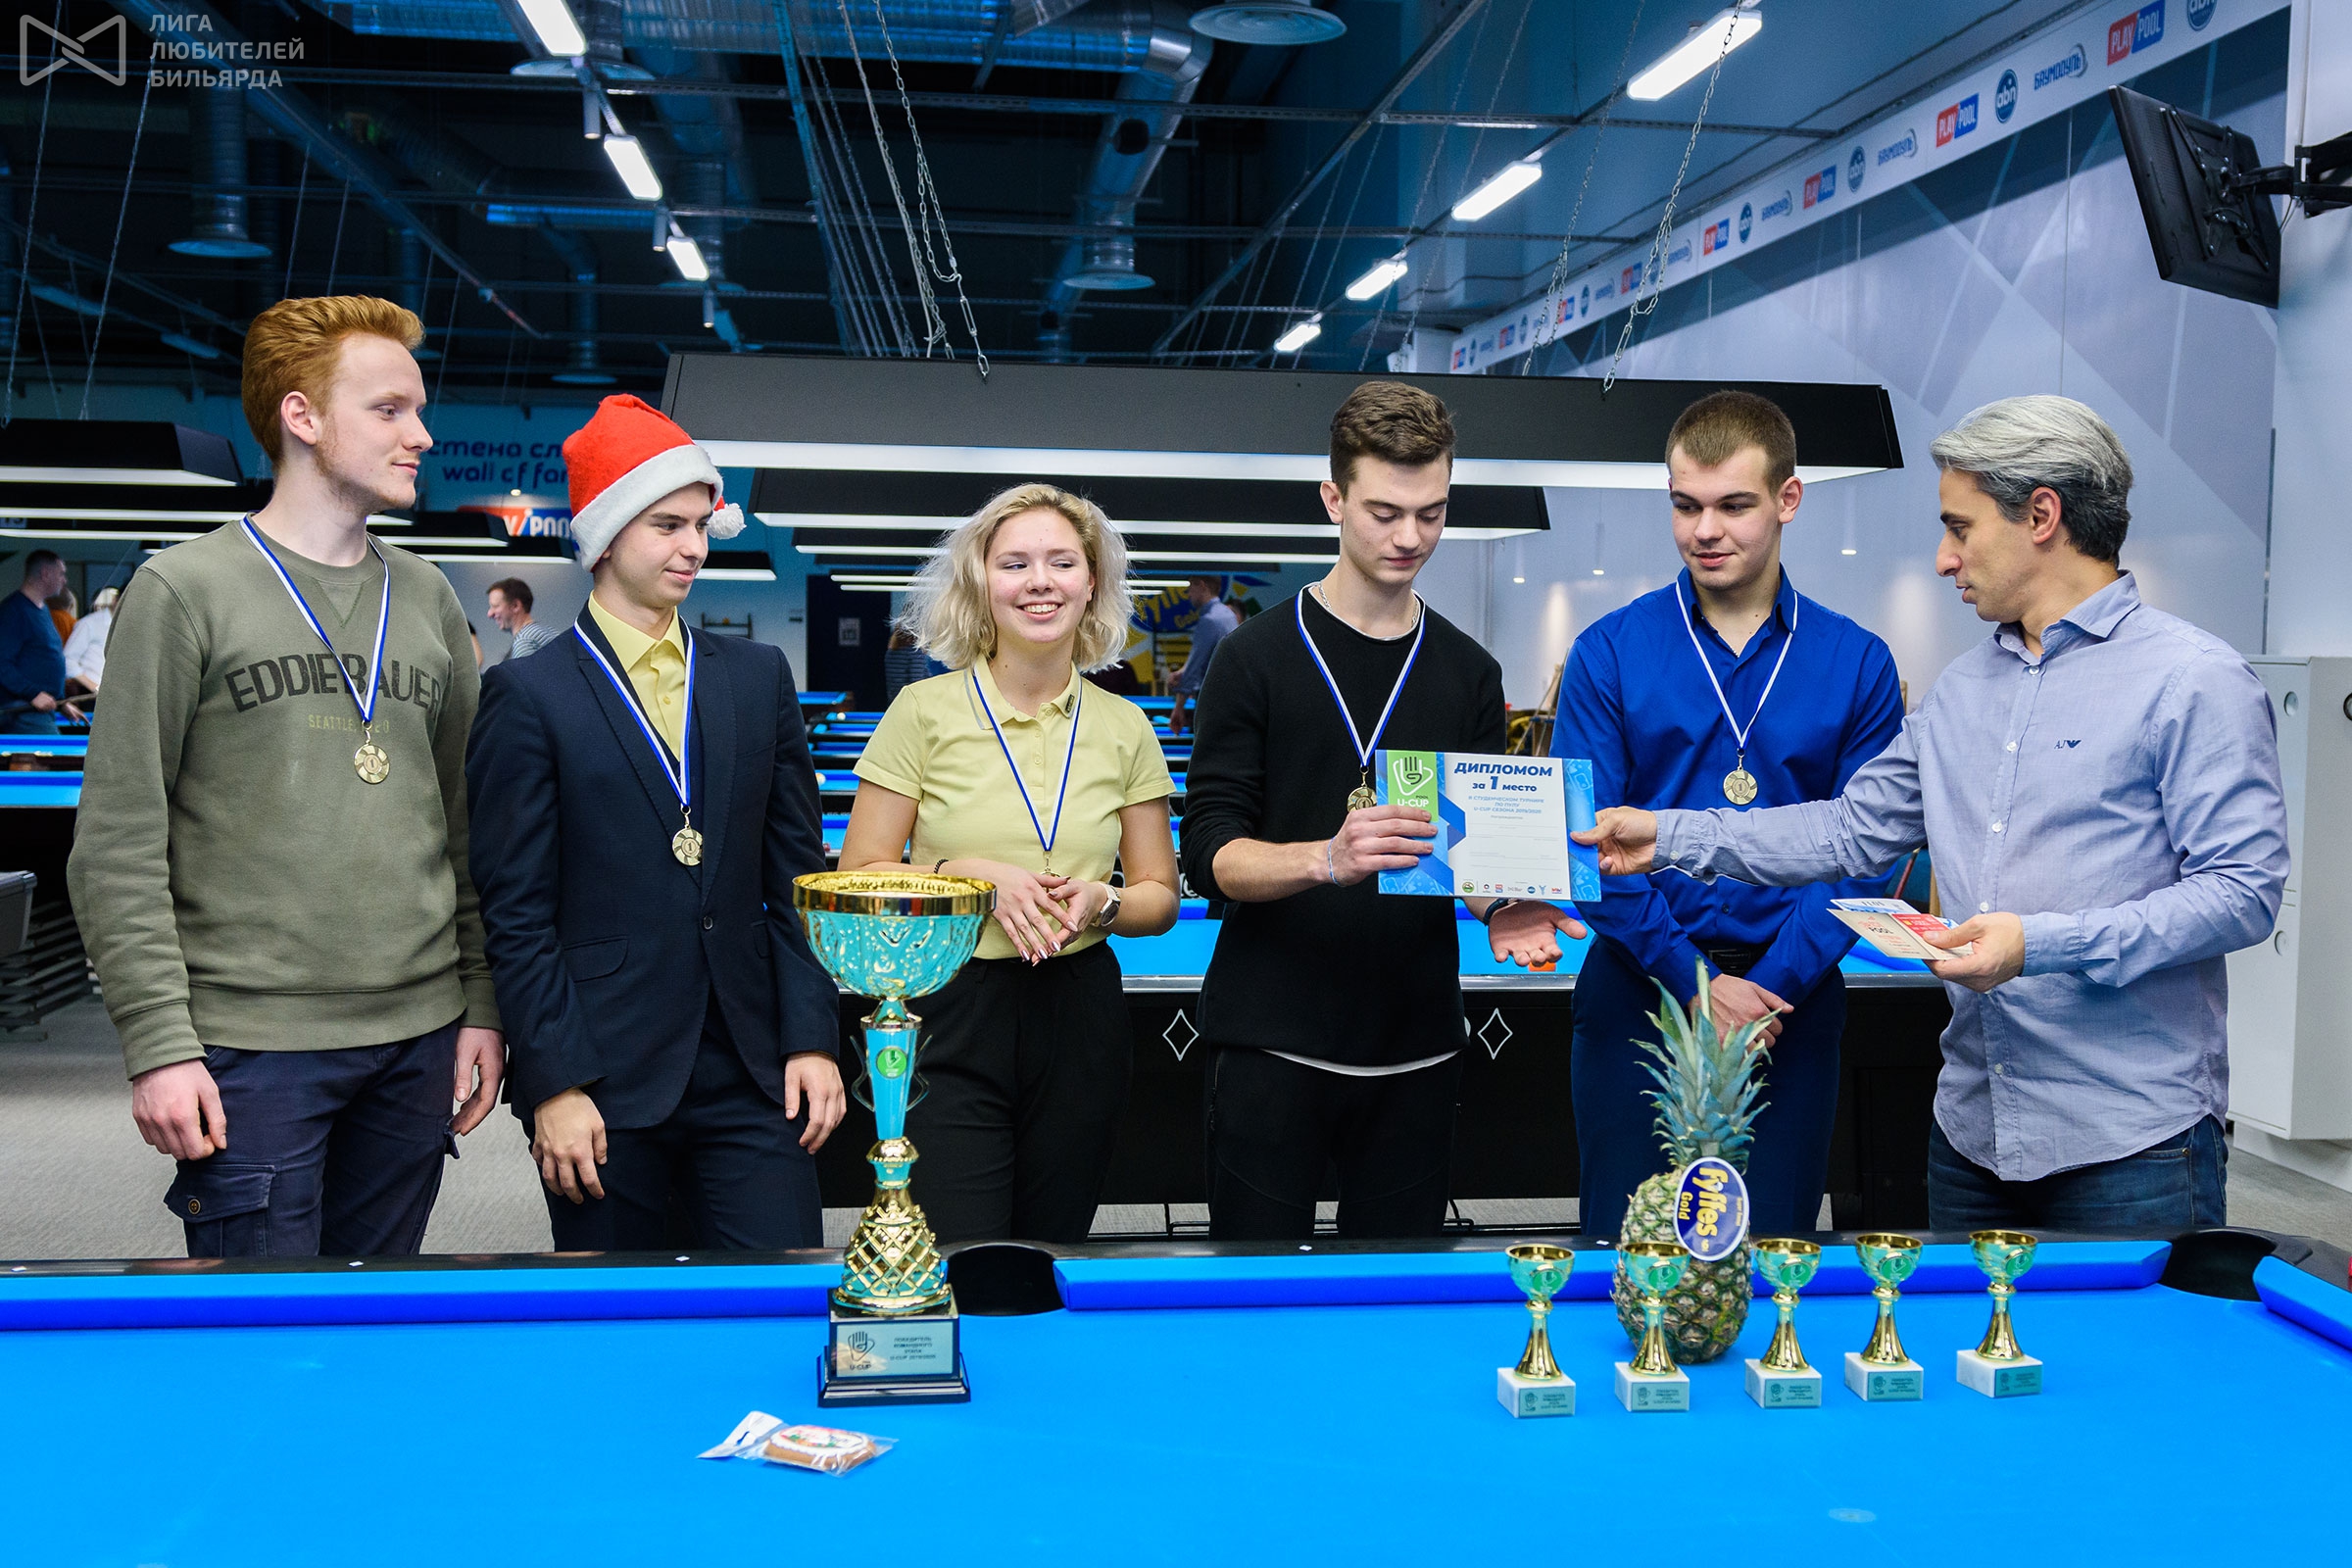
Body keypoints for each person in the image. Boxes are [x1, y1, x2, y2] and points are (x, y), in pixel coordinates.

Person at [1577, 395, 2288, 1233]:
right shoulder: (1962, 691)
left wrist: (2039, 943)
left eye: (1960, 528)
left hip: (2130, 1142)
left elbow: (2243, 893)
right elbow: (1848, 831)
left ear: (2042, 517)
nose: (1944, 558)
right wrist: (1668, 835)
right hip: (1972, 1135)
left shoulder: (2193, 680)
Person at [67, 295, 506, 1257]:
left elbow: (466, 828)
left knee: (374, 1321)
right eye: (389, 410)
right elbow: (118, 843)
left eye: (419, 409)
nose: (423, 435)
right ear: (301, 416)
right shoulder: (184, 589)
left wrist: (480, 1003)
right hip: (250, 1044)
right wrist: (158, 1041)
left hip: (419, 1036)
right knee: (262, 1329)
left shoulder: (428, 596)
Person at [1178, 381, 1587, 1242]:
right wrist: (1326, 858)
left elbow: (1465, 855)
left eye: (1432, 514)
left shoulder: (1469, 672)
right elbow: (1208, 852)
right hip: (1269, 1041)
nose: (1410, 538)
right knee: (1261, 1297)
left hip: (1418, 1047)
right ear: (1334, 499)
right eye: (1385, 513)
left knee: (1403, 1296)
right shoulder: (1252, 657)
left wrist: (1503, 904)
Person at [467, 395, 845, 1250]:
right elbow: (515, 913)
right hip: (602, 1076)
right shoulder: (528, 696)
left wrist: (813, 1038)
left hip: (755, 1067)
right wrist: (554, 1082)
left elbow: (799, 881)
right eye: (667, 526)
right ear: (606, 538)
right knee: (623, 1315)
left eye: (702, 526)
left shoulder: (755, 677)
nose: (694, 548)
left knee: (778, 1299)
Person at [1551, 391, 1903, 1242]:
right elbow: (1588, 844)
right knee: (1629, 1249)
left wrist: (1769, 990)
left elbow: (1868, 851)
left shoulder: (1858, 663)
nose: (1705, 530)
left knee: (1772, 1251)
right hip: (1640, 988)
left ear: (1788, 499)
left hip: (1793, 1001)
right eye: (1686, 506)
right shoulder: (1609, 652)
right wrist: (1698, 985)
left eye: (1734, 505)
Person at [836, 483, 1181, 1245]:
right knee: (965, 1252)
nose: (1039, 582)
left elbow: (1160, 894)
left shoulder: (1127, 727)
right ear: (981, 582)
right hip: (950, 1007)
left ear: (1091, 583)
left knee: (1050, 1253)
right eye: (1015, 563)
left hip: (1081, 1014)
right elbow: (859, 873)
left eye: (1062, 562)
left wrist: (1104, 901)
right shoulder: (921, 713)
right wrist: (969, 881)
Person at [1, 550, 78, 734]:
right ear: (45, 574)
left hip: (41, 709)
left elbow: (42, 659)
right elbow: (2, 663)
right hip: (22, 710)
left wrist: (61, 702)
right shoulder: (13, 612)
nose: (64, 580)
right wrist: (33, 693)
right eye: (61, 574)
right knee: (60, 752)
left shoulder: (42, 609)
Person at [1166, 574, 1238, 737]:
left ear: (1202, 586)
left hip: (1214, 702)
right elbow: (1211, 657)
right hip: (1231, 701)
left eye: (1190, 588)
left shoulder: (1210, 620)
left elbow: (1196, 666)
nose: (1189, 594)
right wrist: (1183, 671)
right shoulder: (1228, 616)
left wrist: (1178, 708)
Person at [62, 585, 118, 698]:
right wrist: (96, 688)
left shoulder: (132, 627)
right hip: (93, 695)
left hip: (119, 696)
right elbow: (67, 661)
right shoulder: (89, 624)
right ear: (116, 600)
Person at [487, 576, 558, 662]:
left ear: (515, 606)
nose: (489, 614)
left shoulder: (524, 642)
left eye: (495, 606)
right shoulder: (544, 632)